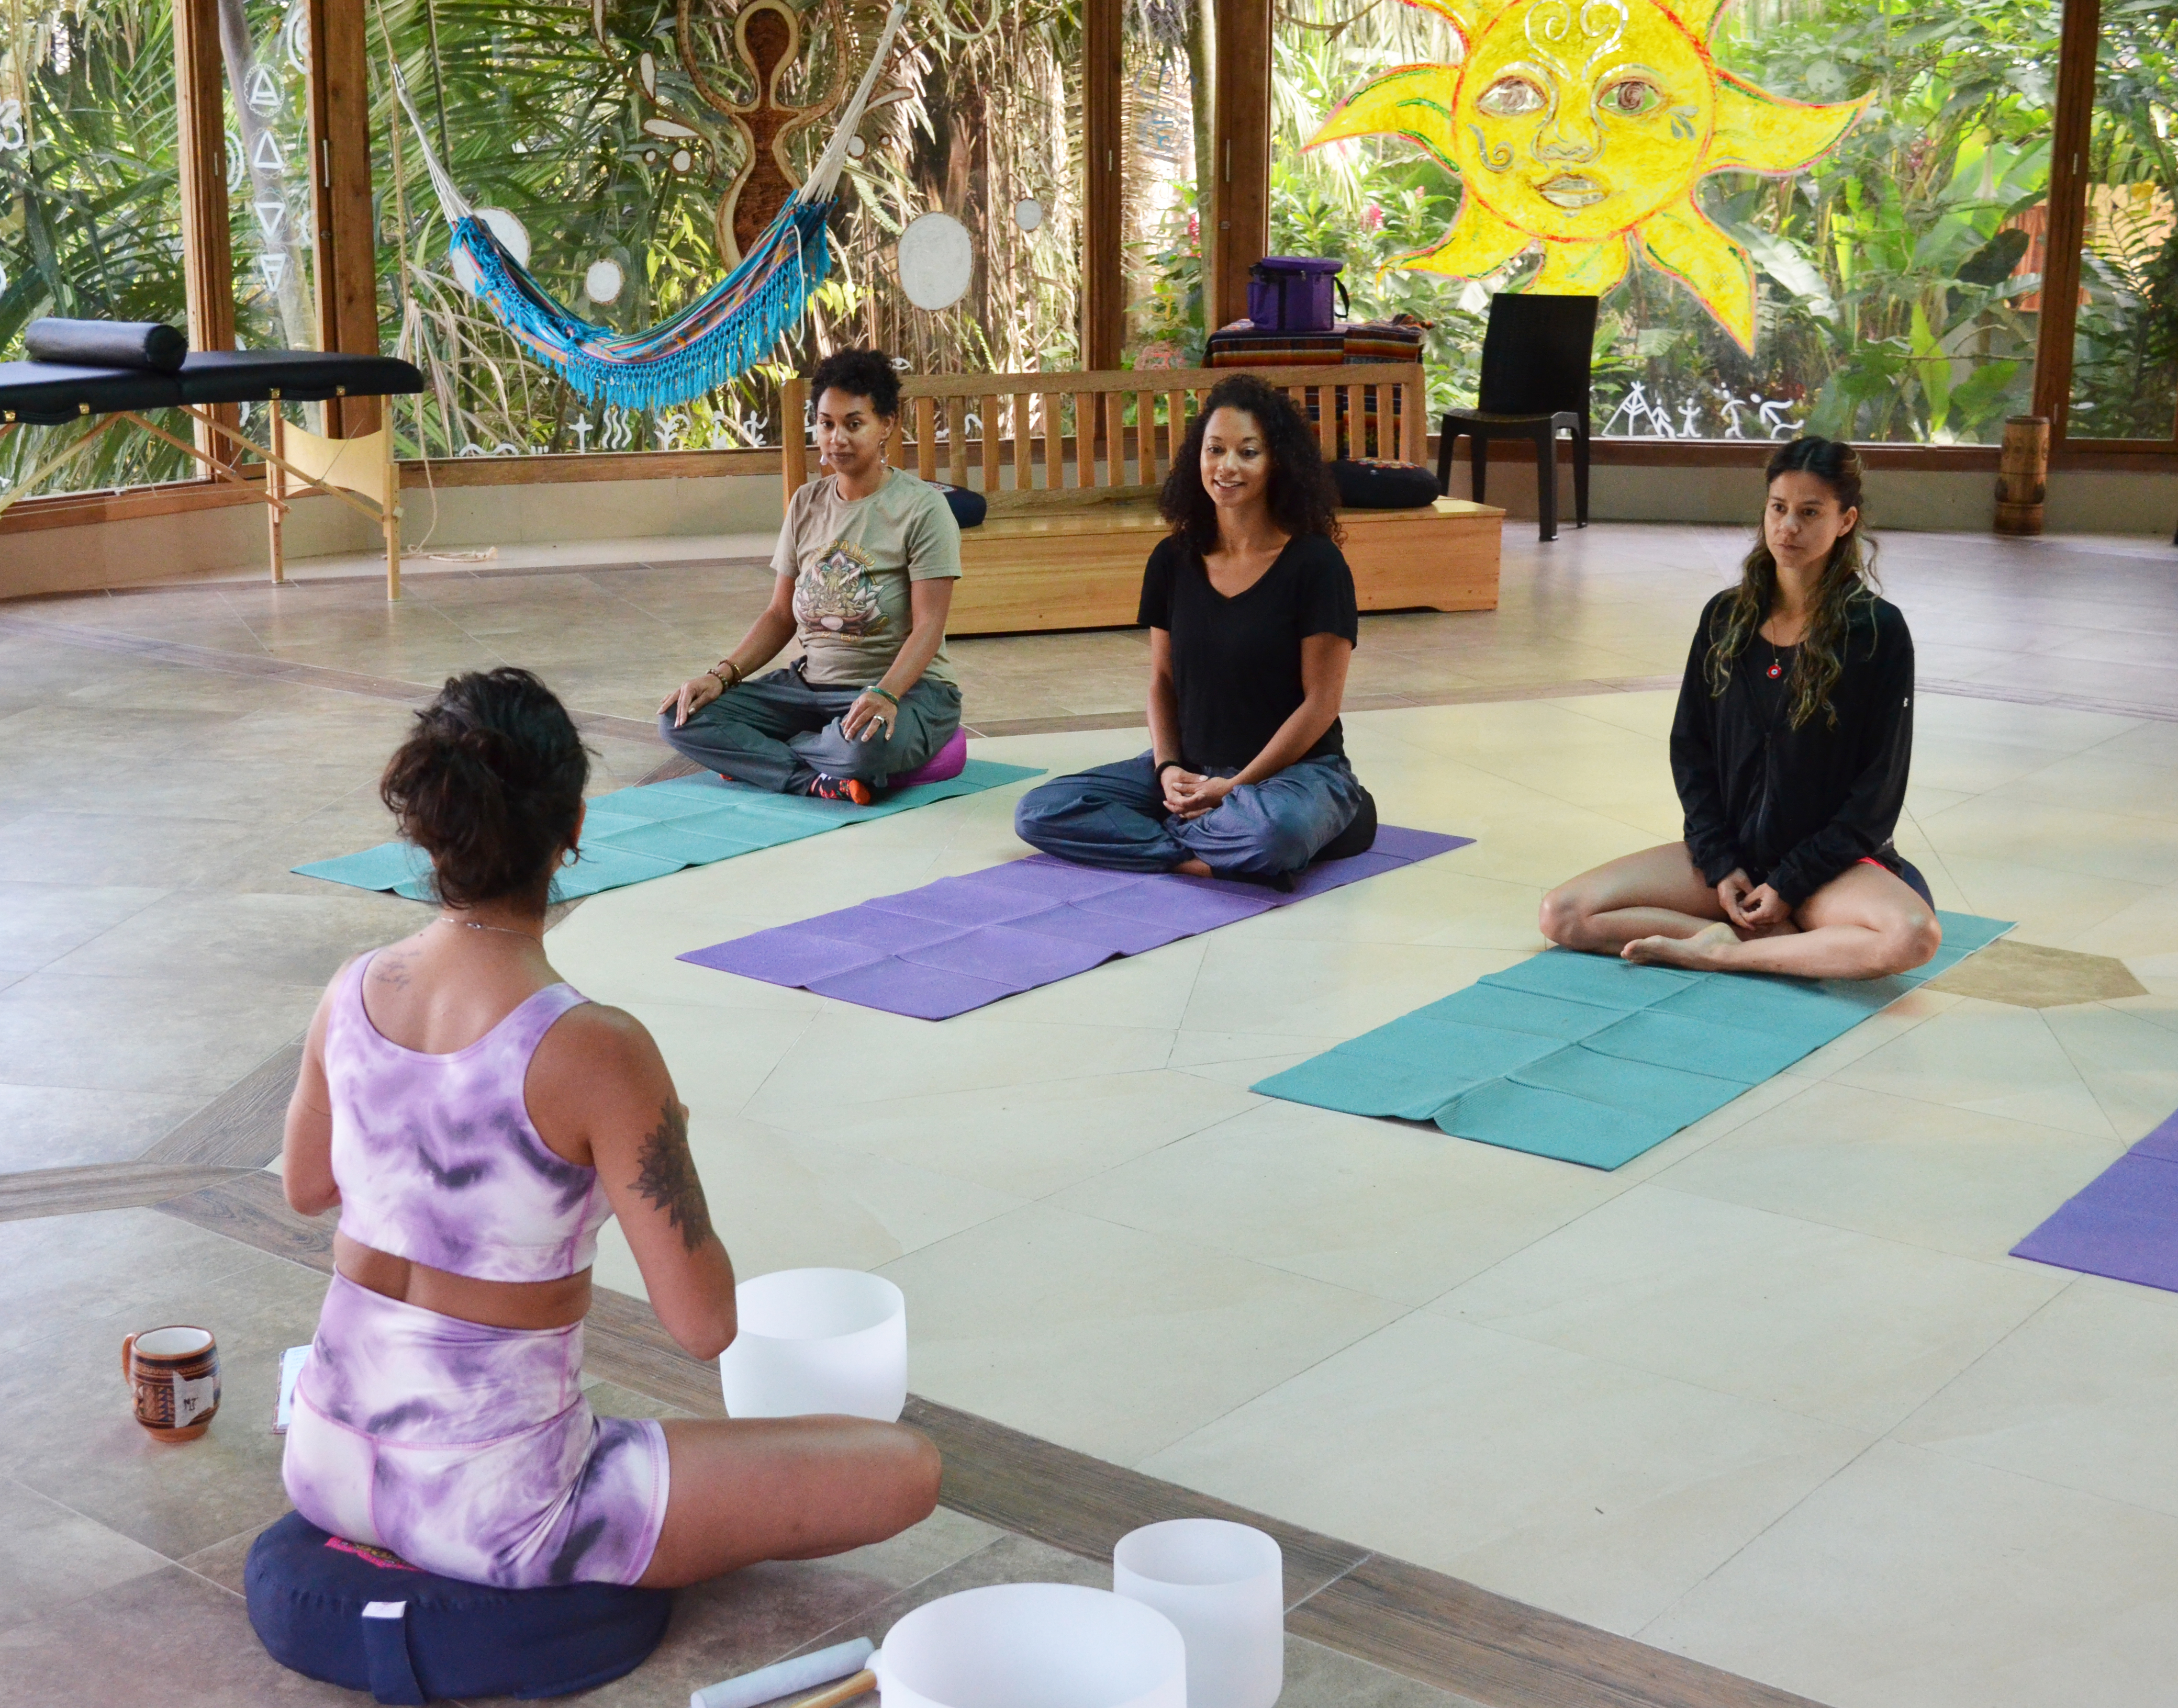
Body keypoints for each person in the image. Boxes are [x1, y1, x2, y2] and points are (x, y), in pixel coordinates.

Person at [280, 668, 940, 1589]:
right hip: (498, 1514)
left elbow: (305, 1186)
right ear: (575, 832)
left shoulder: (350, 989)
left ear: (430, 827)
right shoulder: (597, 1049)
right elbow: (703, 1323)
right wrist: (660, 1145)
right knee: (905, 1466)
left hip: (323, 1458)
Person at [1536, 436, 1941, 979]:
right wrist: (1719, 861)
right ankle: (1757, 942)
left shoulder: (1876, 632)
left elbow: (1877, 793)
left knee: (1911, 936)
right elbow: (1690, 750)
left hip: (1827, 870)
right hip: (1732, 859)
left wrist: (1791, 882)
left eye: (1808, 512)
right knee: (1561, 915)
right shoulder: (1725, 617)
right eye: (1777, 508)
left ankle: (1725, 953)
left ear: (1845, 522)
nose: (1787, 527)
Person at [1011, 372, 1373, 881]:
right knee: (1039, 810)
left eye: (1247, 452)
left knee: (1277, 834)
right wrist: (1167, 770)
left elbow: (1320, 705)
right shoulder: (1173, 559)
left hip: (1293, 776)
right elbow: (1162, 681)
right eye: (1214, 450)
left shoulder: (1316, 565)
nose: (1226, 467)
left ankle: (1291, 821)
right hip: (1191, 764)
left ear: (1277, 463)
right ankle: (1197, 853)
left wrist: (1235, 787)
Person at [657, 347, 963, 805]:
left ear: (888, 426)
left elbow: (929, 626)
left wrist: (885, 694)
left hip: (906, 690)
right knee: (682, 717)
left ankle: (779, 759)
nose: (836, 438)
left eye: (853, 424)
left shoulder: (922, 509)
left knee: (866, 748)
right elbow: (781, 614)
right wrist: (721, 677)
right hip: (809, 688)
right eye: (826, 424)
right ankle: (815, 776)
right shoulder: (806, 503)